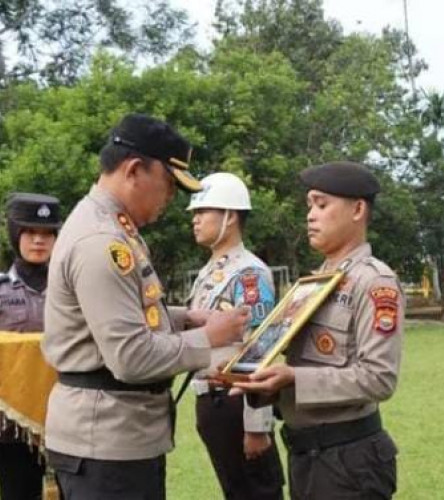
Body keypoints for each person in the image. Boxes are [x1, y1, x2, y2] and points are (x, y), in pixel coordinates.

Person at [41, 113, 251, 500]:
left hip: (117, 439)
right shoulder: (102, 242)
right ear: (135, 170)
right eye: (169, 185)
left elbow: (114, 316)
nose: (170, 199)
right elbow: (131, 356)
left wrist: (184, 317)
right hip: (107, 446)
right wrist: (209, 336)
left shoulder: (113, 229)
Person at [235, 161, 404, 500]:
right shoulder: (315, 282)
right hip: (307, 454)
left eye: (322, 204)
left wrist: (294, 379)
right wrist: (260, 382)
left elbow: (380, 378)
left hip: (348, 460)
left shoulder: (374, 281)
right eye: (309, 205)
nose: (311, 215)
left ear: (357, 209)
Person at [186, 172, 283, 500]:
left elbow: (260, 349)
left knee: (258, 492)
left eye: (203, 212)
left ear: (230, 217)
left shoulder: (249, 273)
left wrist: (257, 425)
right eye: (194, 214)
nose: (195, 220)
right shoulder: (209, 272)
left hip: (237, 402)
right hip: (210, 401)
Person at [0, 193, 61, 500]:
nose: (39, 241)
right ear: (15, 234)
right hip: (13, 425)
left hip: (67, 417)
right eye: (30, 233)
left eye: (47, 234)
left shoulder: (72, 291)